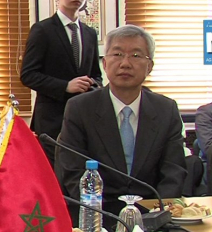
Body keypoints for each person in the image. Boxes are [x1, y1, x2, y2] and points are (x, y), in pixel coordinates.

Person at [55, 24, 186, 211]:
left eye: (135, 55)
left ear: (149, 67)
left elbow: (173, 171)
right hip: (96, 213)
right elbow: (73, 172)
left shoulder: (166, 109)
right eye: (117, 54)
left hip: (152, 213)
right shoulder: (80, 108)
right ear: (105, 64)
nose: (125, 63)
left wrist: (159, 212)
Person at [20, 0, 102, 167]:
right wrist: (65, 86)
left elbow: (97, 75)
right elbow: (28, 74)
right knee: (55, 176)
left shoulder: (90, 33)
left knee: (80, 171)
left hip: (83, 119)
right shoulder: (42, 30)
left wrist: (92, 84)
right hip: (52, 120)